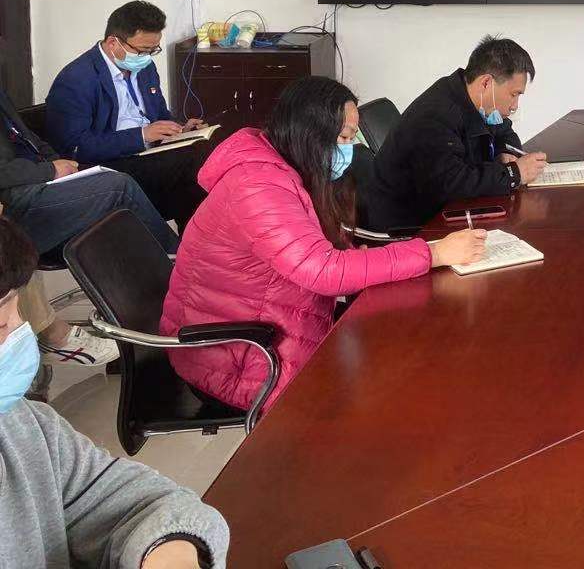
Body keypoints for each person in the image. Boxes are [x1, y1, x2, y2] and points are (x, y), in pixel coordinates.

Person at [161, 77, 487, 413]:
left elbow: (316, 255)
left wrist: (360, 259)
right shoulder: (256, 185)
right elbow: (321, 270)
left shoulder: (291, 169)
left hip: (280, 323)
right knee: (397, 384)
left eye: (352, 138)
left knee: (409, 340)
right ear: (310, 133)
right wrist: (433, 253)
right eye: (344, 137)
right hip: (237, 355)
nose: (349, 149)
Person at [0, 215, 229, 568]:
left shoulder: (26, 428)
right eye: (2, 322)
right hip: (232, 363)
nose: (22, 332)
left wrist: (168, 550)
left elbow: (137, 503)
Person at [1, 81, 176, 368]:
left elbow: (28, 138)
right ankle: (181, 276)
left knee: (138, 186)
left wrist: (58, 163)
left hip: (34, 183)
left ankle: (148, 312)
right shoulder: (79, 77)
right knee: (117, 188)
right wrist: (49, 170)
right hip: (13, 200)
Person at [47, 0, 211, 229]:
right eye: (142, 50)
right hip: (108, 163)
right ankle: (195, 242)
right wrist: (141, 136)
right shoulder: (77, 79)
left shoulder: (144, 68)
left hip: (148, 151)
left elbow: (159, 113)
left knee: (210, 148)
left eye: (153, 50)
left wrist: (181, 128)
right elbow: (75, 148)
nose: (147, 57)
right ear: (113, 42)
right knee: (193, 164)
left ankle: (197, 241)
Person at [367, 36, 548, 231]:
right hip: (410, 227)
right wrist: (513, 173)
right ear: (486, 83)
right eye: (513, 94)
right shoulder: (435, 116)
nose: (514, 106)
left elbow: (504, 132)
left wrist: (504, 153)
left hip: (447, 212)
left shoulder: (478, 101)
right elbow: (451, 185)